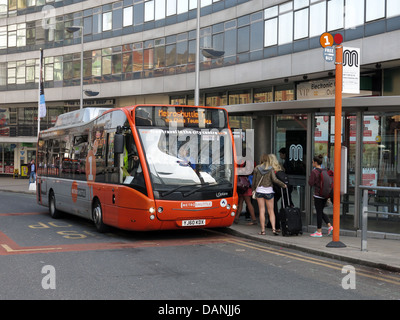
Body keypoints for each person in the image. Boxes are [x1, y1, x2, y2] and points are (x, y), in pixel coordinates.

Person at [252, 154, 287, 236]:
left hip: (259, 191)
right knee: (271, 211)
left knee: (262, 210)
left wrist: (253, 189)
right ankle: (274, 229)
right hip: (269, 191)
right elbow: (274, 180)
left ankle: (263, 231)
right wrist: (283, 185)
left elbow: (254, 181)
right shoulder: (270, 169)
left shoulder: (257, 168)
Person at [308, 154, 333, 238]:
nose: (312, 163)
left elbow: (310, 183)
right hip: (324, 194)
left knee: (319, 212)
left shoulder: (314, 172)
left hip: (318, 195)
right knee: (320, 211)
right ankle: (329, 226)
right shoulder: (324, 170)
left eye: (312, 162)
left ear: (315, 162)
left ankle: (319, 231)